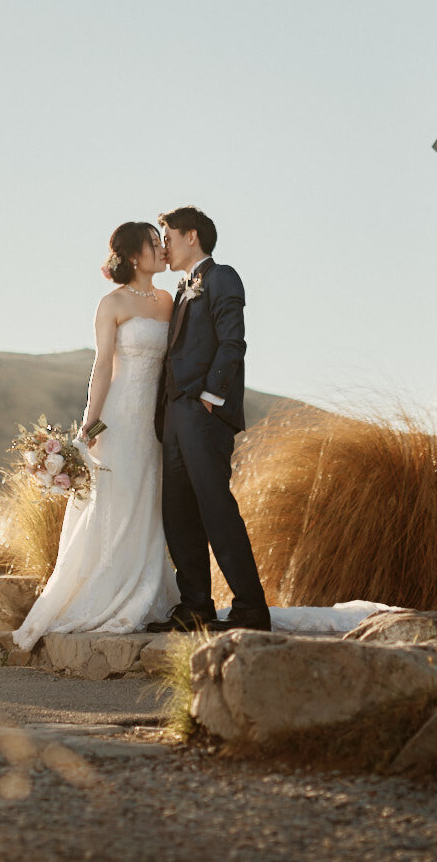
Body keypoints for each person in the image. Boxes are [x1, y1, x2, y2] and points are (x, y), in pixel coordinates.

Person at [11, 222, 181, 650]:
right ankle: (102, 594)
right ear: (133, 255)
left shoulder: (168, 300)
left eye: (164, 243)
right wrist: (90, 424)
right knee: (113, 497)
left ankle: (146, 589)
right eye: (154, 243)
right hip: (120, 415)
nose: (162, 249)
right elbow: (103, 366)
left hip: (157, 420)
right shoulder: (112, 303)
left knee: (148, 496)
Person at [146, 205, 270, 633]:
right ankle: (195, 606)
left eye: (168, 237)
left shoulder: (222, 277)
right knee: (177, 513)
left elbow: (233, 342)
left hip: (204, 413)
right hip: (175, 418)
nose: (164, 246)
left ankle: (251, 610)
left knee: (217, 509)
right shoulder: (181, 289)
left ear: (191, 236)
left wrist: (210, 398)